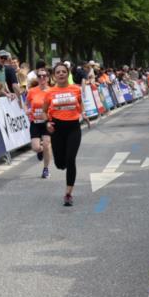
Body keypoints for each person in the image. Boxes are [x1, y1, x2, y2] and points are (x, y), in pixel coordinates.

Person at [43, 62, 89, 207]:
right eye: (58, 72)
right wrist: (47, 123)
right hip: (57, 129)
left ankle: (68, 194)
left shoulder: (76, 89)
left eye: (64, 71)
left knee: (70, 160)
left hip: (73, 128)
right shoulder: (50, 92)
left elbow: (80, 104)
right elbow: (44, 111)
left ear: (67, 74)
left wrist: (84, 114)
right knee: (60, 164)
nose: (61, 74)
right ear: (54, 76)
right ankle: (61, 163)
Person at [27, 60, 53, 179]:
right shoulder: (32, 91)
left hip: (47, 122)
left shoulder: (52, 91)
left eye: (44, 76)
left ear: (48, 77)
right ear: (37, 78)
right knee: (36, 147)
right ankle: (41, 150)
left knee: (47, 144)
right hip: (35, 122)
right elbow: (26, 104)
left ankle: (46, 169)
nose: (42, 78)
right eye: (39, 76)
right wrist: (27, 110)